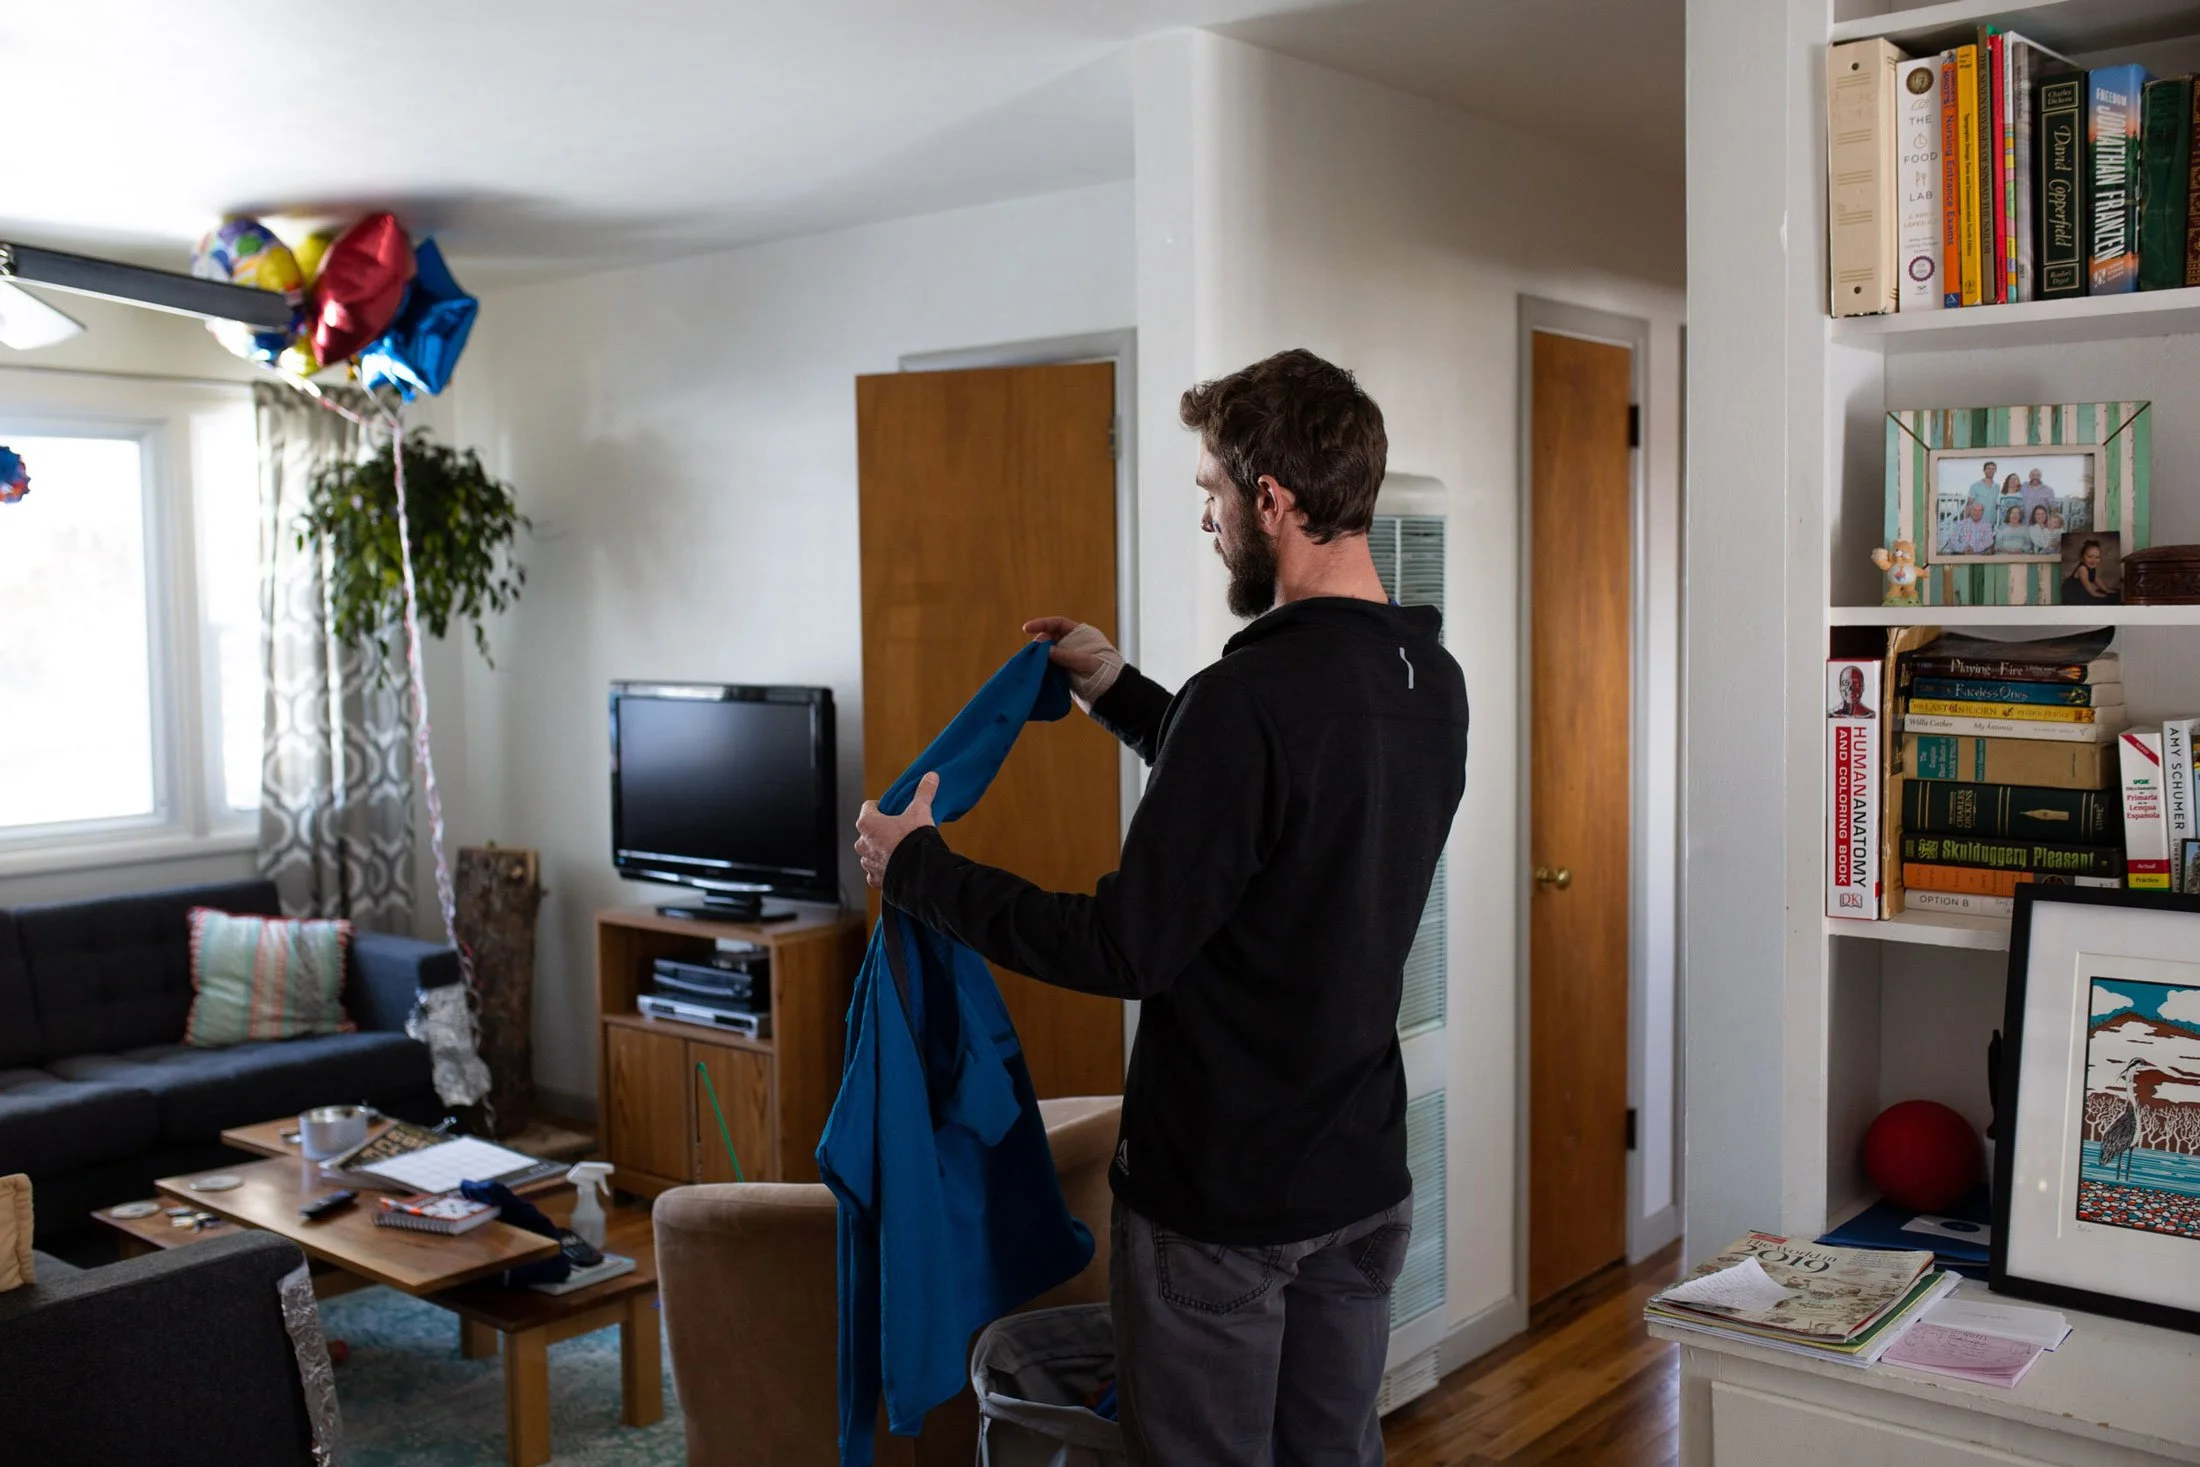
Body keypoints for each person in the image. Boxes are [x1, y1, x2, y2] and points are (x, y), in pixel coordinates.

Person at [854, 348, 1469, 1467]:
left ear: (1269, 500)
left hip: (1221, 1206)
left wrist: (922, 870)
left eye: (1211, 492)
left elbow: (1124, 942)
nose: (1209, 517)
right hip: (1360, 1180)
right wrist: (1114, 688)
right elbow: (1272, 808)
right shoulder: (1426, 682)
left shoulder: (1249, 700)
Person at [2063, 538, 2119, 603]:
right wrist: (2094, 594)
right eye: (2090, 557)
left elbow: (2096, 579)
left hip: (2081, 590)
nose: (2093, 560)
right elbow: (2087, 585)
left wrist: (2106, 589)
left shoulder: (2091, 568)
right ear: (2082, 557)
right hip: (2071, 591)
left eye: (2097, 557)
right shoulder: (2082, 569)